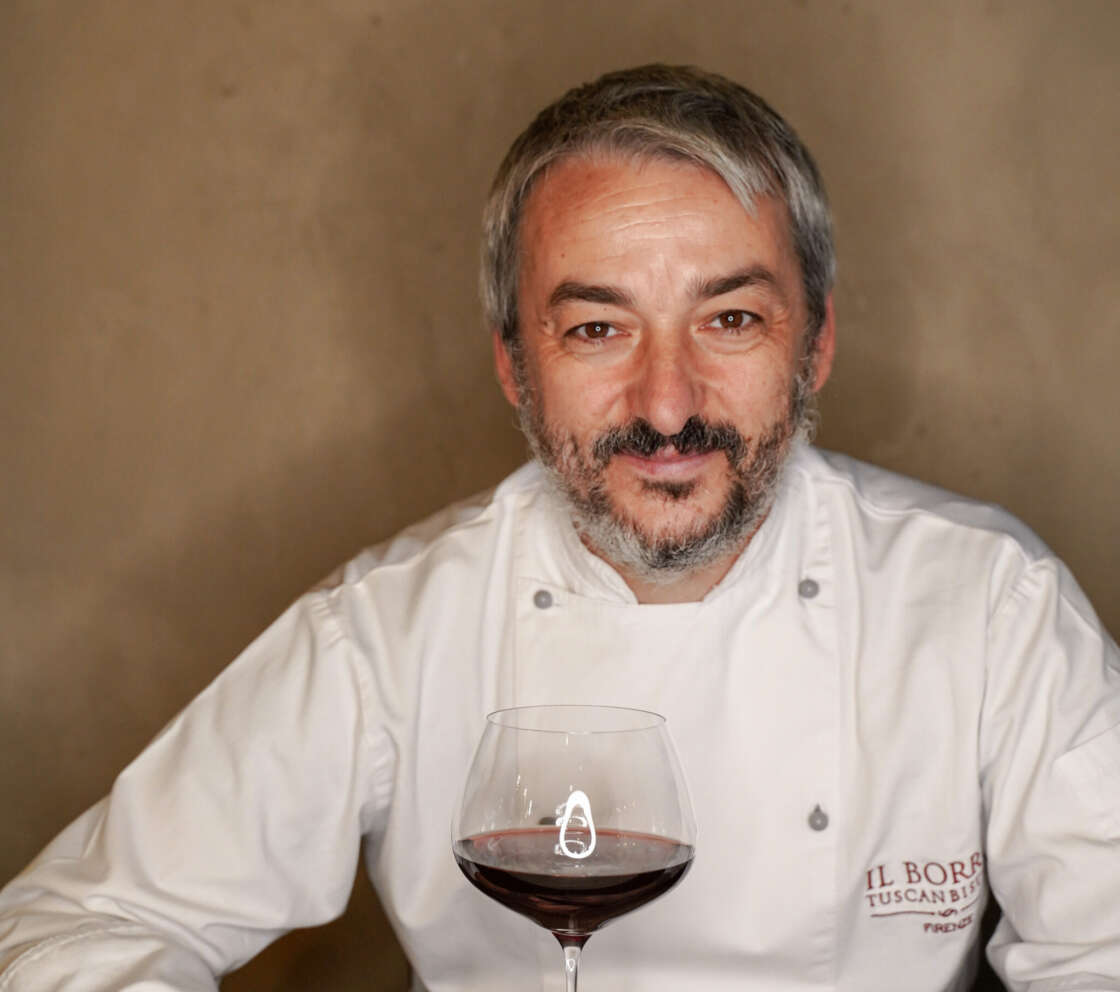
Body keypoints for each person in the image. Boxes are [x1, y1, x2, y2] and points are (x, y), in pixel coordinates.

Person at [1, 63, 1118, 992]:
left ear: (815, 343)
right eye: (596, 329)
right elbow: (68, 930)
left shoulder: (991, 605)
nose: (667, 406)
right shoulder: (390, 632)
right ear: (513, 365)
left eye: (731, 318)